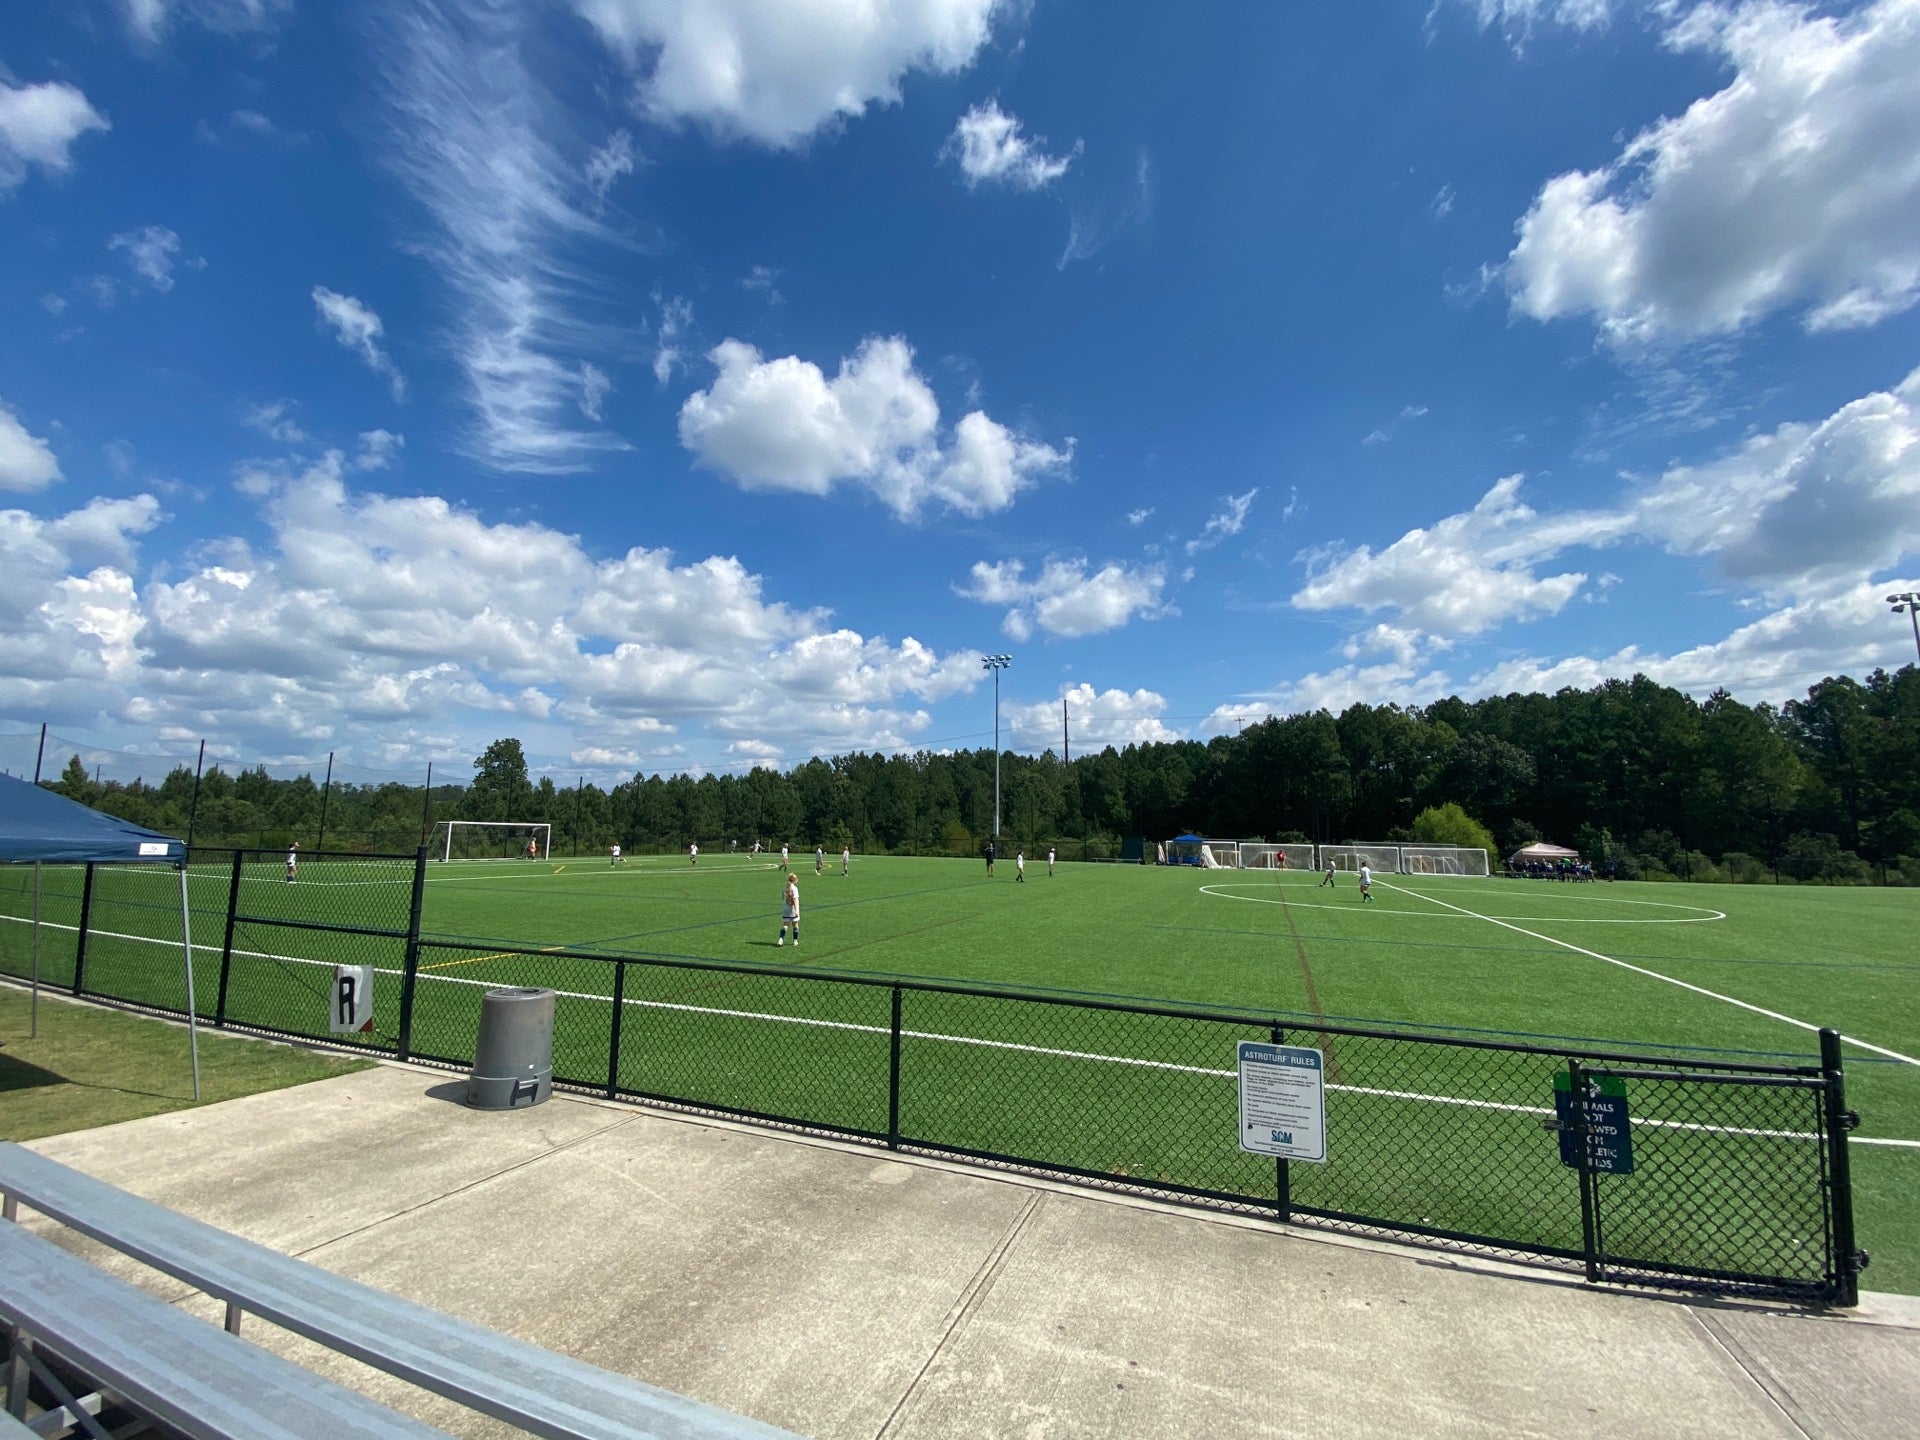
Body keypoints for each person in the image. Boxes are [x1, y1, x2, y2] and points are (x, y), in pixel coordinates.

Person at [777, 872, 800, 947]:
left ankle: (781, 939)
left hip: (785, 909)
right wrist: (796, 911)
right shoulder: (795, 888)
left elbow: (783, 898)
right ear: (794, 880)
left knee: (785, 925)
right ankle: (795, 940)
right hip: (792, 909)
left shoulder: (785, 888)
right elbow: (795, 900)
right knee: (795, 925)